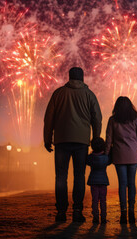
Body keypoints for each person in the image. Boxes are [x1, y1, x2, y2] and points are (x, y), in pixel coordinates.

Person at [44, 67, 102, 222]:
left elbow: (48, 118)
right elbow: (97, 118)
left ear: (69, 77)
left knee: (61, 177)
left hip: (61, 140)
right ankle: (77, 210)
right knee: (79, 176)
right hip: (82, 141)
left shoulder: (58, 93)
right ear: (82, 78)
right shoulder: (89, 95)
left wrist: (47, 139)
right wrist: (95, 140)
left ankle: (61, 212)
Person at [105, 96, 137, 224]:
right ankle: (131, 211)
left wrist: (105, 154)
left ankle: (123, 212)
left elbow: (109, 139)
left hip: (119, 156)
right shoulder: (135, 120)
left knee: (122, 184)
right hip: (133, 156)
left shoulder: (112, 120)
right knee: (131, 184)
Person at [86, 137, 112, 224]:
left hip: (93, 181)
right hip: (103, 181)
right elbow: (110, 161)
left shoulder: (90, 158)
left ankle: (95, 217)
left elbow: (86, 161)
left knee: (95, 200)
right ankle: (103, 217)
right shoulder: (105, 158)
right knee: (103, 200)